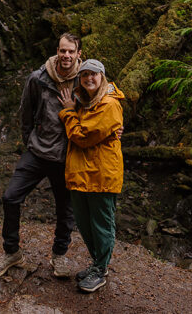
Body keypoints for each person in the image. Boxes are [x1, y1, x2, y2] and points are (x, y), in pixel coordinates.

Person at [0, 33, 81, 279]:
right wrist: (30, 141)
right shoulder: (38, 78)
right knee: (10, 196)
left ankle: (59, 255)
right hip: (38, 152)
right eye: (63, 51)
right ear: (57, 51)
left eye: (71, 51)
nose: (66, 55)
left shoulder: (87, 80)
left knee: (65, 208)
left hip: (66, 157)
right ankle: (11, 252)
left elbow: (104, 105)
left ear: (78, 54)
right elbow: (25, 112)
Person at [57, 58, 125, 294]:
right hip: (80, 174)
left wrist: (67, 113)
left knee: (101, 224)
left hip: (102, 174)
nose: (89, 78)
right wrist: (73, 110)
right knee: (85, 224)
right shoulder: (84, 102)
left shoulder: (108, 104)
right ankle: (97, 264)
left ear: (102, 76)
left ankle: (101, 269)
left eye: (94, 74)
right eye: (85, 75)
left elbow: (83, 136)